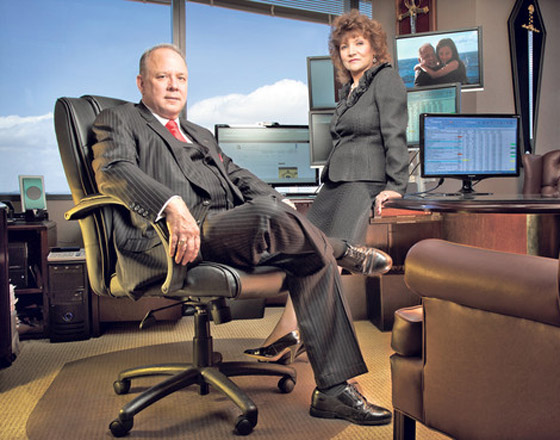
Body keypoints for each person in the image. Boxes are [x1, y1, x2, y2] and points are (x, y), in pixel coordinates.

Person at [92, 43, 395, 426]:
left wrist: (280, 202)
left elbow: (236, 174)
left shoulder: (198, 132)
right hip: (171, 238)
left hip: (228, 228)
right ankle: (342, 250)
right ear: (141, 83)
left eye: (181, 77)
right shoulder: (119, 119)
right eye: (162, 76)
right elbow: (114, 170)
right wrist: (171, 206)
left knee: (311, 257)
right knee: (280, 223)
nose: (173, 85)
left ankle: (333, 392)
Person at [244, 9, 409, 369]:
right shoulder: (350, 89)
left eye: (359, 43)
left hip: (361, 182)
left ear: (374, 47)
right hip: (335, 182)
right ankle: (293, 335)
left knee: (331, 257)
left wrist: (396, 186)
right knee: (307, 252)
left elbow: (395, 134)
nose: (351, 51)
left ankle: (292, 336)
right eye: (345, 46)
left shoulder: (386, 79)